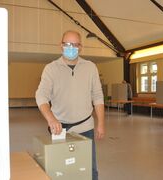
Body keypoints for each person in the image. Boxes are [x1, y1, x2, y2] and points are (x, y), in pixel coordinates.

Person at [35, 30, 105, 180]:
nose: (71, 47)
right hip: (60, 129)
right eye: (67, 44)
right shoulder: (51, 68)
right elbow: (41, 95)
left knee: (89, 169)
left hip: (86, 127)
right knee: (61, 169)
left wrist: (101, 124)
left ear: (80, 47)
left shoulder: (90, 67)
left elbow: (98, 96)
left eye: (75, 44)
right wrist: (51, 119)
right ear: (61, 45)